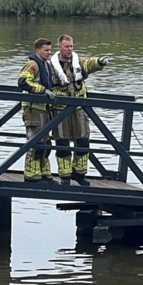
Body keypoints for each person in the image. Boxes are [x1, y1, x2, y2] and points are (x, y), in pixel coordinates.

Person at [50, 35, 109, 186]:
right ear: (59, 48)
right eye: (66, 47)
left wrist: (100, 62)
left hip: (79, 109)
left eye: (71, 46)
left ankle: (80, 174)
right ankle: (65, 176)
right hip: (59, 110)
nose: (69, 49)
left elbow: (90, 64)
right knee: (62, 143)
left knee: (83, 141)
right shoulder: (50, 65)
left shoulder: (78, 62)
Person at [17, 38, 57, 183]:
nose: (49, 53)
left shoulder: (47, 65)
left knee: (46, 144)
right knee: (35, 142)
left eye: (50, 50)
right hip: (33, 108)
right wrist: (42, 90)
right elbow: (23, 82)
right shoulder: (32, 64)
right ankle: (31, 174)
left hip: (45, 109)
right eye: (46, 50)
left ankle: (44, 173)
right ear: (37, 50)